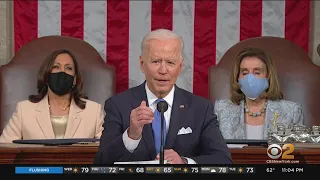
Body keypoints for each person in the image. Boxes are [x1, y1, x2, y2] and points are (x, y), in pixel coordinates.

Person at [94, 29, 232, 164]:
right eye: (155, 61)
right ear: (142, 64)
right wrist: (131, 135)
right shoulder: (118, 105)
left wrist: (184, 163)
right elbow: (101, 163)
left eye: (170, 63)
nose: (163, 70)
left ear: (180, 66)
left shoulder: (201, 108)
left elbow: (223, 159)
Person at [0, 49, 104, 143]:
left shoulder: (93, 111)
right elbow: (4, 150)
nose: (62, 72)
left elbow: (106, 152)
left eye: (68, 68)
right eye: (56, 67)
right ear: (46, 76)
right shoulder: (24, 110)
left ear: (75, 80)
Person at [214, 47, 304, 140]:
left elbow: (297, 150)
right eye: (244, 73)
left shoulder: (292, 112)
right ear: (237, 77)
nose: (250, 78)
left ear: (268, 76)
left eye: (257, 72)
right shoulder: (221, 109)